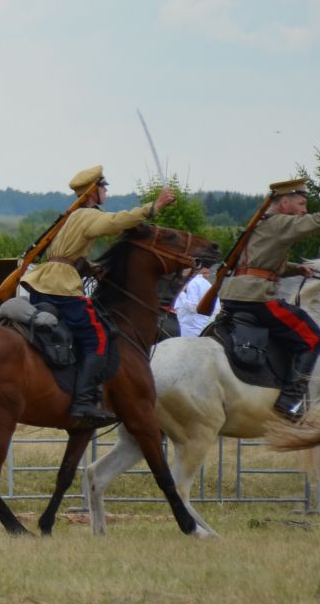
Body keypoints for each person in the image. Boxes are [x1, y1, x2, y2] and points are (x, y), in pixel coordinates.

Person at [19, 166, 174, 426]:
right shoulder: (88, 215)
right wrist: (154, 206)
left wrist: (88, 266)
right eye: (103, 187)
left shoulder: (70, 217)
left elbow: (64, 252)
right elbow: (115, 223)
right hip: (62, 286)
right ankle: (83, 401)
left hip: (44, 282)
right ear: (93, 192)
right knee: (99, 336)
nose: (106, 191)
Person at [215, 172, 320, 417]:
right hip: (257, 298)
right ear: (285, 202)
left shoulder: (263, 223)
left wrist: (294, 269)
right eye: (301, 204)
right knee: (313, 338)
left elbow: (257, 262)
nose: (303, 210)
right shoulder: (280, 223)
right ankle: (291, 399)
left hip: (234, 295)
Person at [172, 260, 217, 340]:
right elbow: (217, 308)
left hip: (191, 328)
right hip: (203, 327)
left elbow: (193, 307)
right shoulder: (209, 285)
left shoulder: (193, 283)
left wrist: (181, 293)